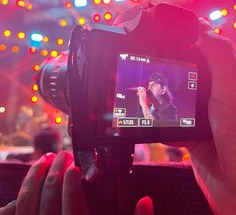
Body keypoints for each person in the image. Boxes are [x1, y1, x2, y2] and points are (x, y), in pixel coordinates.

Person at [0, 17, 236, 215]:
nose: (149, 87)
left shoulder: (170, 111)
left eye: (153, 84)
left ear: (163, 88)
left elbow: (152, 121)